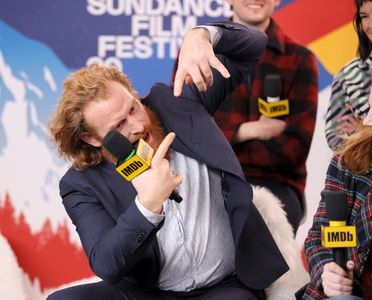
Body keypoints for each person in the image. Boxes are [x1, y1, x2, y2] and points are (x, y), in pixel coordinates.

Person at [46, 21, 289, 300]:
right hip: (151, 293)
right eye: (118, 127)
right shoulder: (81, 183)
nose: (136, 125)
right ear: (92, 139)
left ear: (135, 94)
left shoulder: (181, 104)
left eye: (133, 109)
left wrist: (202, 35)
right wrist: (147, 205)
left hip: (224, 287)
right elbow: (106, 264)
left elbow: (254, 44)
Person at [211, 0, 319, 234]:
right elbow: (189, 130)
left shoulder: (300, 58)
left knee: (261, 221)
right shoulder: (202, 51)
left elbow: (295, 148)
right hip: (214, 178)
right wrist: (246, 131)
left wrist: (223, 140)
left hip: (276, 183)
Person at [302, 66, 372, 299]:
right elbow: (318, 237)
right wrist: (327, 274)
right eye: (369, 109)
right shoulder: (350, 159)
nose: (366, 121)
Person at [325, 0, 372, 151]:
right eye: (364, 16)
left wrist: (361, 131)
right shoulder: (348, 75)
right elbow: (336, 140)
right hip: (370, 174)